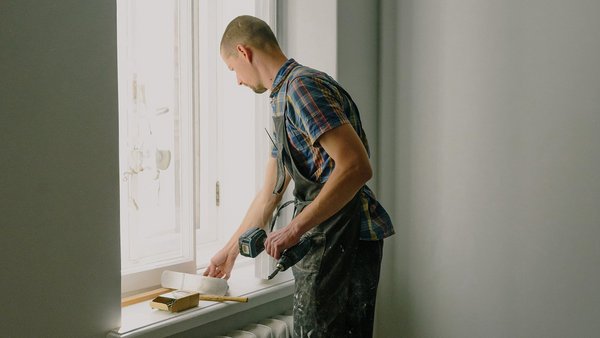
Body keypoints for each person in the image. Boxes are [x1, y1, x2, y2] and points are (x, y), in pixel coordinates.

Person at [203, 15, 395, 338]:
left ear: (244, 52)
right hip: (323, 240)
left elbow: (356, 167)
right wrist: (230, 251)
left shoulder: (302, 88)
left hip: (346, 240)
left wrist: (293, 229)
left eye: (232, 69)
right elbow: (269, 194)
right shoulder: (281, 99)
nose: (236, 80)